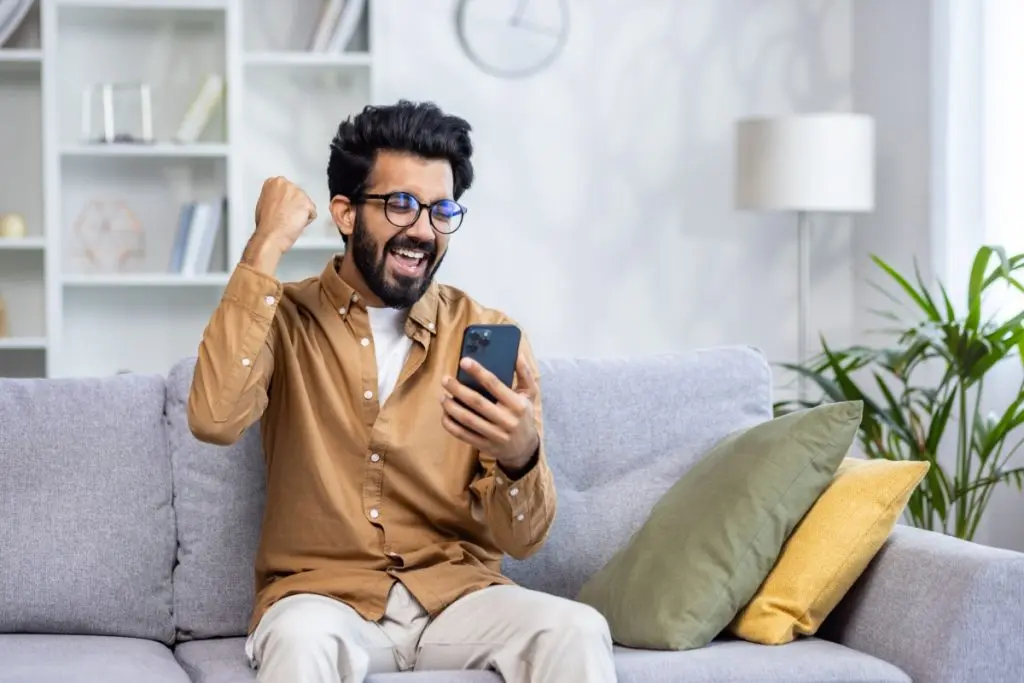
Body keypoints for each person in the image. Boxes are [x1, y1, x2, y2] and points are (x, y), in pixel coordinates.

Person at [187, 100, 617, 683]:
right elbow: (214, 418)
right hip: (324, 599)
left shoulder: (482, 331)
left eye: (441, 210)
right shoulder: (283, 318)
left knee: (576, 628)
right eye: (401, 205)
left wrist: (522, 456)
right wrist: (264, 245)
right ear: (344, 213)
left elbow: (523, 541)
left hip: (457, 599)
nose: (422, 229)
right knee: (299, 640)